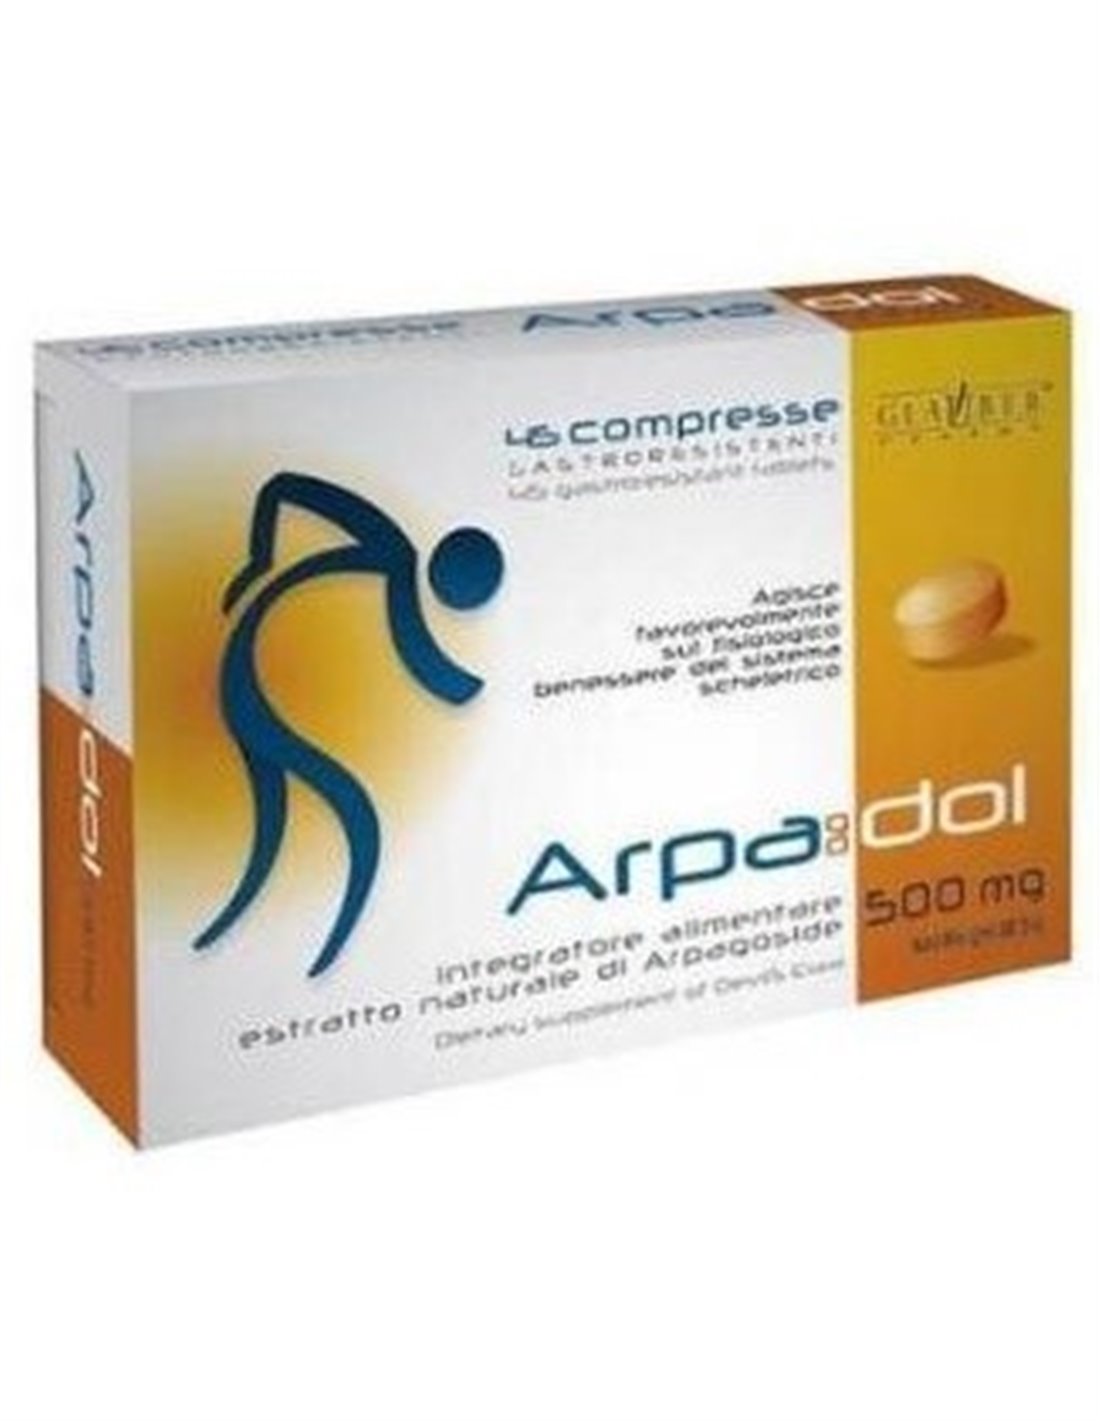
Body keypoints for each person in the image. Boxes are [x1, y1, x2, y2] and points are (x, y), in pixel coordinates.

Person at [193, 471, 505, 977]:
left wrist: (259, 564)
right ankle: (265, 946)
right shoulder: (393, 561)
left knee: (323, 818)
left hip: (258, 680)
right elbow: (283, 487)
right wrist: (257, 564)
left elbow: (281, 488)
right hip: (260, 681)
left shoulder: (392, 559)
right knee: (332, 816)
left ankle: (281, 943)